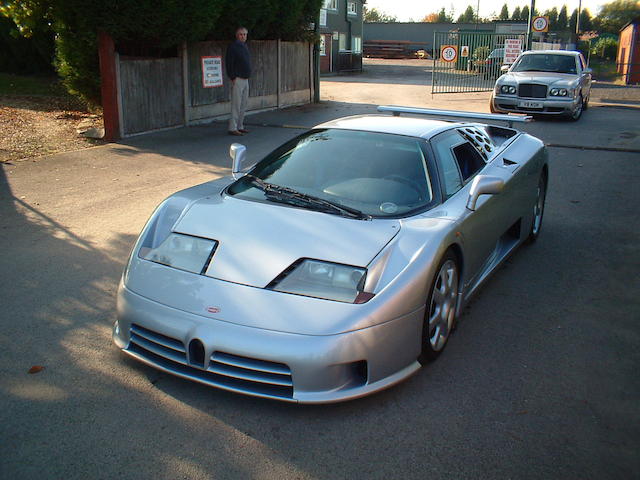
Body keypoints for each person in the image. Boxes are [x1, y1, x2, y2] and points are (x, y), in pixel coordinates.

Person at [225, 27, 251, 136]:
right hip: (238, 79)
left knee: (243, 104)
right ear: (237, 35)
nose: (243, 36)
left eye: (245, 34)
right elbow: (229, 62)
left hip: (246, 79)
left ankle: (240, 126)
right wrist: (232, 77)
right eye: (241, 34)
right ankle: (233, 128)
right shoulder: (233, 47)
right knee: (236, 104)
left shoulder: (245, 46)